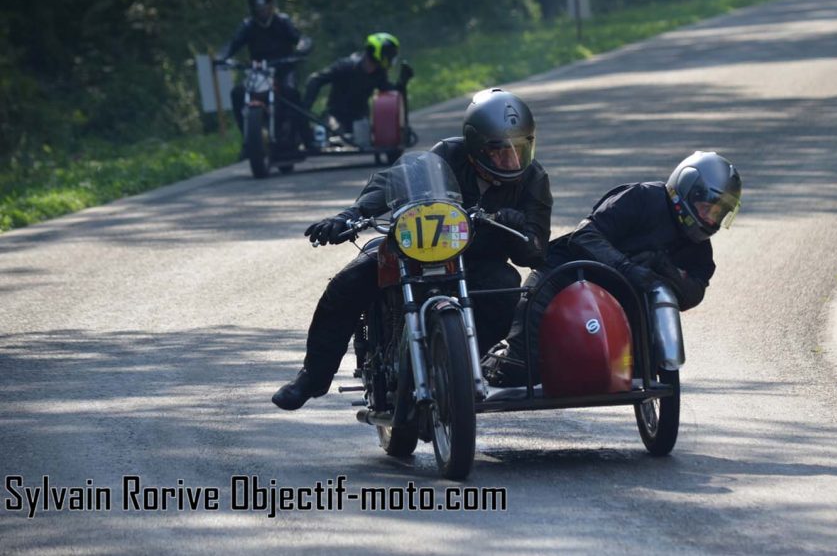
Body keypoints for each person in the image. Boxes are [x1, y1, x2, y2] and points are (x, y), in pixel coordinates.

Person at [272, 87, 553, 410]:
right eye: (500, 151)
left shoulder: (534, 178)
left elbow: (534, 253)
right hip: (417, 252)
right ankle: (313, 376)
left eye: (520, 149)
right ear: (476, 145)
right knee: (348, 283)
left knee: (505, 290)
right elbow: (393, 180)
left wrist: (518, 229)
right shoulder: (445, 156)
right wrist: (350, 215)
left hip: (477, 263)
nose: (512, 160)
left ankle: (462, 365)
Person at [484, 150, 742, 387]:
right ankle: (497, 362)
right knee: (520, 368)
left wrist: (664, 267)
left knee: (643, 367)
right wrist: (627, 267)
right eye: (706, 207)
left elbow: (693, 293)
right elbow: (585, 236)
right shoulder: (641, 197)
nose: (710, 219)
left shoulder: (699, 246)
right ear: (687, 190)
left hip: (624, 292)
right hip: (568, 270)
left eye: (719, 213)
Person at [216, 0, 312, 139]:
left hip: (283, 69)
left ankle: (306, 136)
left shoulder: (283, 22)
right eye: (259, 9)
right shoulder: (248, 26)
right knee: (238, 94)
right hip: (258, 71)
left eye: (266, 8)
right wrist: (221, 58)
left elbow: (300, 38)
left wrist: (301, 49)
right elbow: (232, 44)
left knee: (292, 94)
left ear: (272, 6)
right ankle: (248, 138)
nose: (263, 12)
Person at [301, 32, 414, 146]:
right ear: (376, 52)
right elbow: (315, 79)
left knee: (362, 137)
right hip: (335, 115)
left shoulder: (379, 73)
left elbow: (388, 92)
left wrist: (402, 84)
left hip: (359, 117)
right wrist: (306, 107)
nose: (391, 58)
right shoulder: (345, 66)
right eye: (389, 54)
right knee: (336, 133)